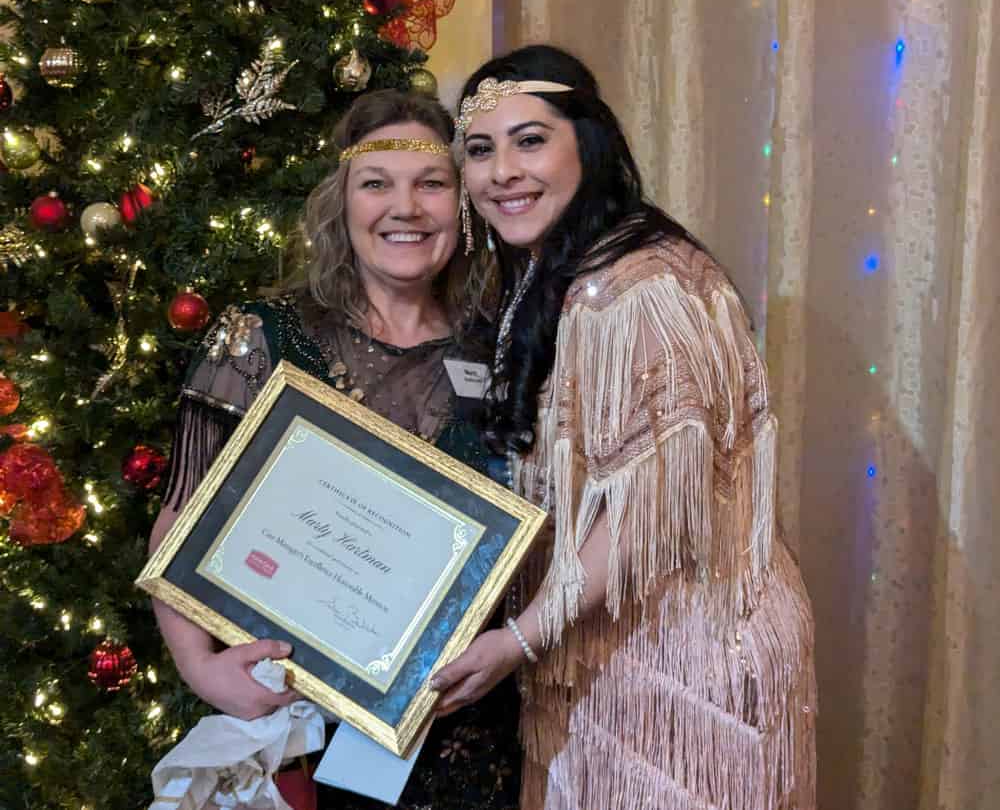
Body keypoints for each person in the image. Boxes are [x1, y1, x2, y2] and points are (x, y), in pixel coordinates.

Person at [430, 46, 817, 810]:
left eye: (530, 140)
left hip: (686, 669)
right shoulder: (557, 274)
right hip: (611, 656)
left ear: (589, 143)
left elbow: (647, 514)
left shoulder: (639, 287)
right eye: (479, 149)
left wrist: (519, 638)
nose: (502, 171)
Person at [148, 89, 520, 810]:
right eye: (376, 183)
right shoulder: (262, 335)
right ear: (340, 204)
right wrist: (201, 667)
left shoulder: (501, 346)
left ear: (463, 204)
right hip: (298, 724)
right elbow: (180, 519)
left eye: (431, 183)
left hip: (469, 728)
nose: (405, 208)